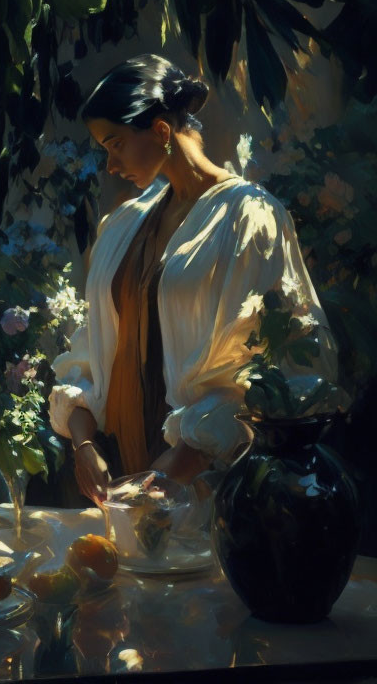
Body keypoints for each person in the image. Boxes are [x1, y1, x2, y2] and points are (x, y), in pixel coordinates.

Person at [48, 54, 338, 503]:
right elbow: (95, 346)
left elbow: (272, 365)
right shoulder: (124, 223)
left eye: (115, 144)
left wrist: (177, 469)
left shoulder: (249, 216)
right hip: (122, 477)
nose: (110, 165)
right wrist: (84, 445)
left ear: (162, 131)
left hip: (203, 487)